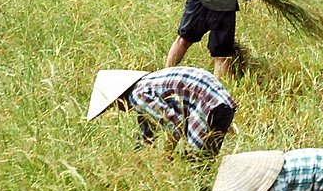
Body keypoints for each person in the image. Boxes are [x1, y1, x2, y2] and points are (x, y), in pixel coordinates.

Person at [86, 65, 237, 156]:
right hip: (220, 102)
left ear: (119, 98)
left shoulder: (137, 96)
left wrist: (168, 155)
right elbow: (147, 136)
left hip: (207, 104)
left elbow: (175, 124)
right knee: (205, 162)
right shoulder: (145, 87)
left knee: (198, 165)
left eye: (113, 105)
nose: (118, 110)